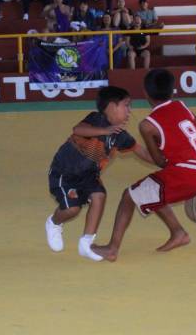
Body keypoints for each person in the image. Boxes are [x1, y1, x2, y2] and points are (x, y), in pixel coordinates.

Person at [91, 69, 196, 262]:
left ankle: (112, 249)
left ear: (146, 92)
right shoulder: (182, 106)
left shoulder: (147, 125)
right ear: (173, 90)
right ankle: (178, 233)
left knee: (129, 195)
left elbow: (159, 161)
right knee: (151, 188)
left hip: (185, 174)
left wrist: (138, 147)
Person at [45, 86, 153, 262]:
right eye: (126, 105)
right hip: (64, 172)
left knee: (99, 196)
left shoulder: (121, 136)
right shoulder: (97, 119)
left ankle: (86, 243)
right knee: (72, 209)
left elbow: (141, 151)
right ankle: (54, 222)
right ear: (111, 107)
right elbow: (78, 129)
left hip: (89, 174)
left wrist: (165, 161)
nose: (129, 111)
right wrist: (105, 131)